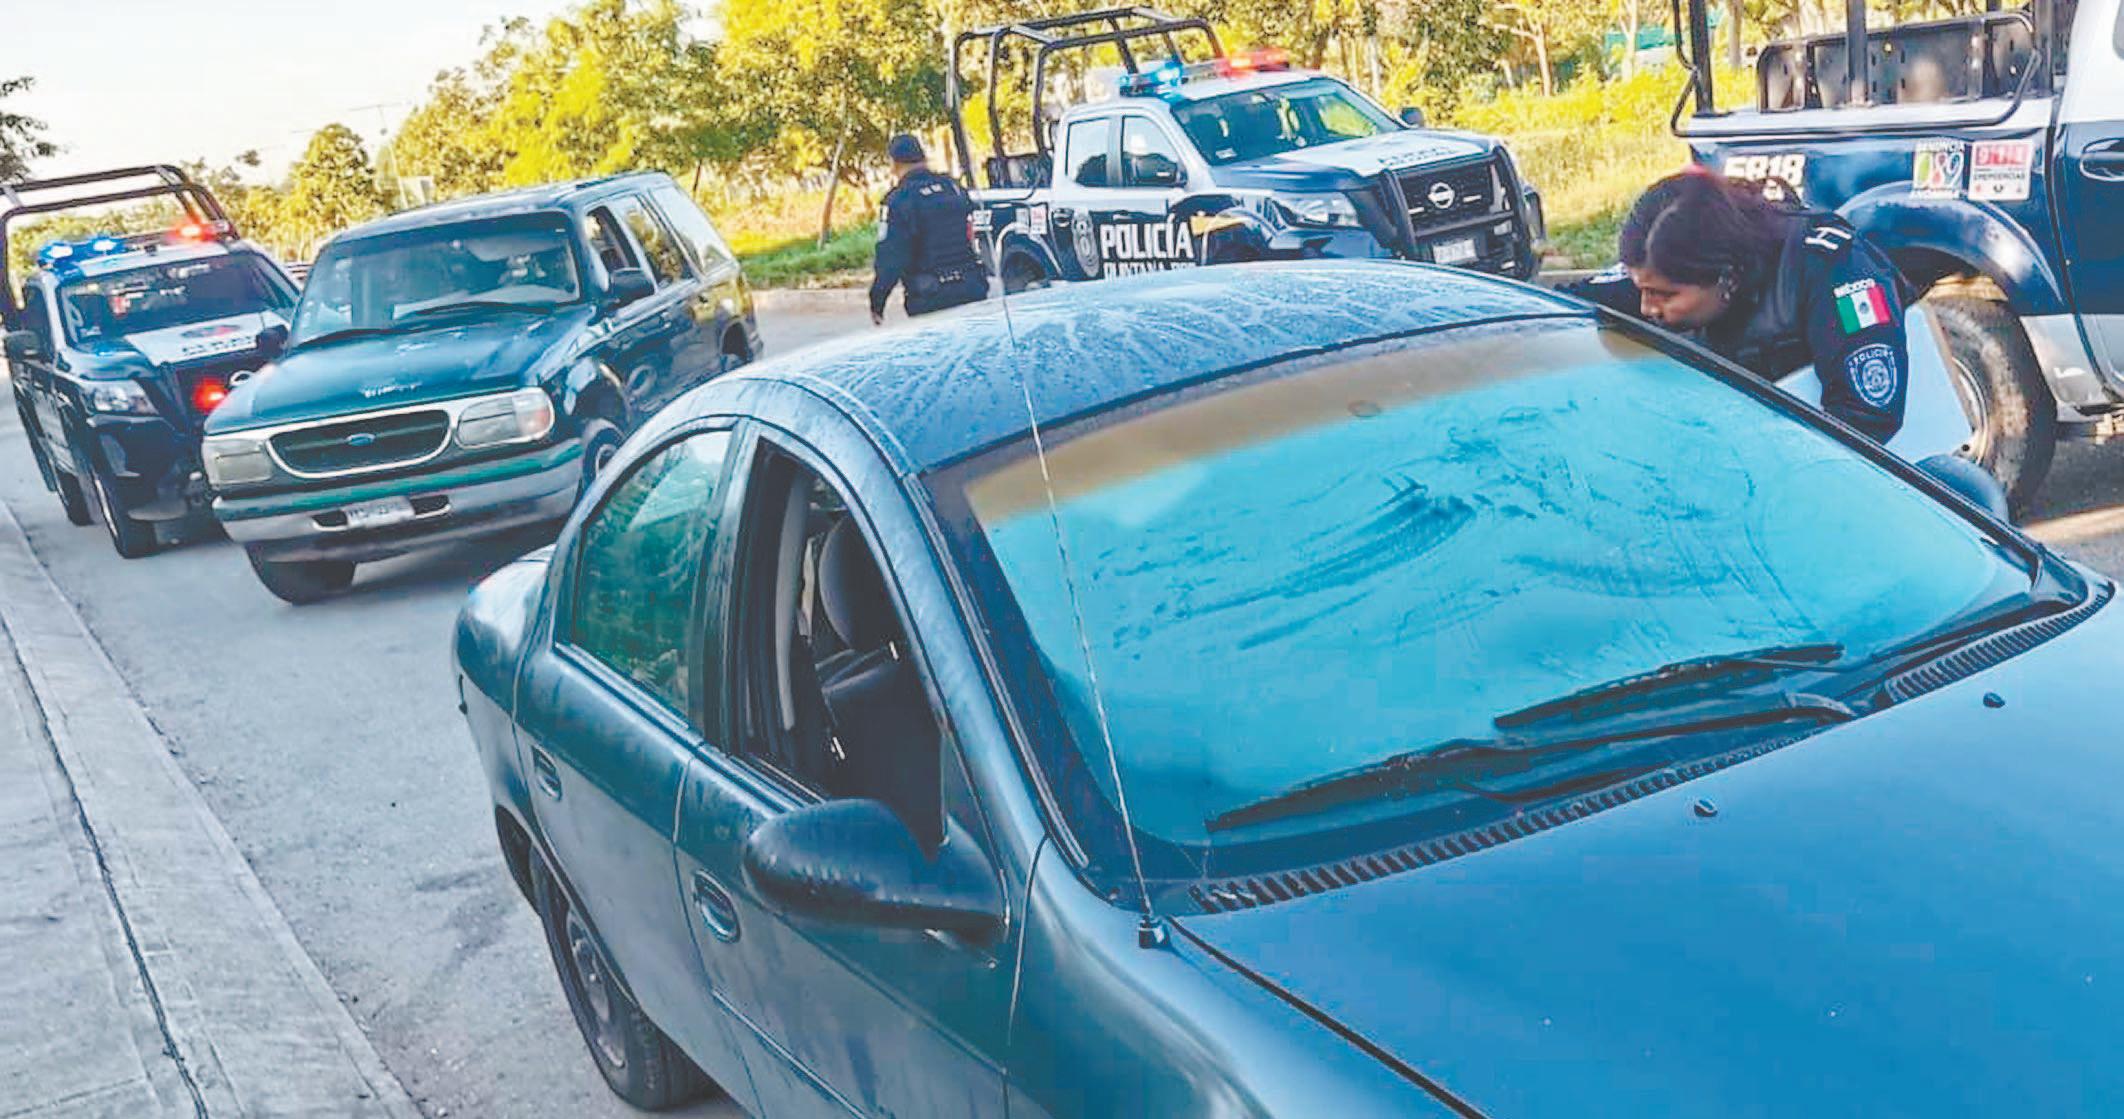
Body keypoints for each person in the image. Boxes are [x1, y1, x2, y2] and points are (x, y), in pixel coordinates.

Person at [1567, 168, 1910, 443]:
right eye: (1641, 289)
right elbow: (1564, 307)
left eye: (1664, 296)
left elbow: (1867, 416)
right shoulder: (1659, 260)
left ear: (1727, 278)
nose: (1647, 308)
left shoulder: (1836, 268)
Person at [869, 134, 988, 325]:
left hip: (931, 298)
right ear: (923, 158)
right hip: (972, 287)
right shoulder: (953, 187)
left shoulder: (898, 200)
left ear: (894, 164)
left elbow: (890, 257)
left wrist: (877, 301)